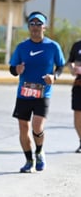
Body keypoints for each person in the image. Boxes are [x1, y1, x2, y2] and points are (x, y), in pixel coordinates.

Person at [9, 11, 65, 173]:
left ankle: (39, 151)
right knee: (23, 128)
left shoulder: (53, 46)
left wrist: (54, 76)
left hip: (43, 93)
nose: (35, 27)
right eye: (32, 24)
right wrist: (16, 69)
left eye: (39, 24)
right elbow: (12, 68)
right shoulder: (22, 47)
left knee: (37, 126)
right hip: (24, 94)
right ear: (28, 27)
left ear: (44, 27)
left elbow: (60, 66)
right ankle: (28, 160)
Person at [67, 40, 81, 153]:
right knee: (78, 116)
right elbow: (70, 61)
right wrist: (73, 69)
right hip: (79, 85)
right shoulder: (77, 45)